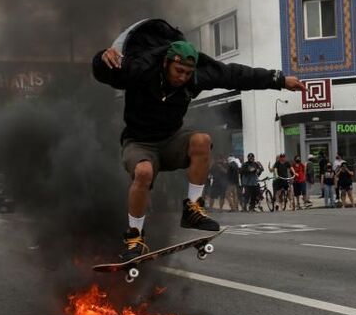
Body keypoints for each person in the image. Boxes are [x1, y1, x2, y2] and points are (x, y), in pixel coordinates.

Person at [92, 19, 305, 260]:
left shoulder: (197, 77)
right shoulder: (142, 69)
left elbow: (235, 75)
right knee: (143, 172)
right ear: (166, 63)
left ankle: (192, 208)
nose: (182, 77)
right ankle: (135, 237)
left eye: (187, 73)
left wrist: (279, 80)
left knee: (202, 140)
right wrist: (102, 58)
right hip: (140, 142)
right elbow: (105, 72)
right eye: (178, 71)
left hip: (173, 139)